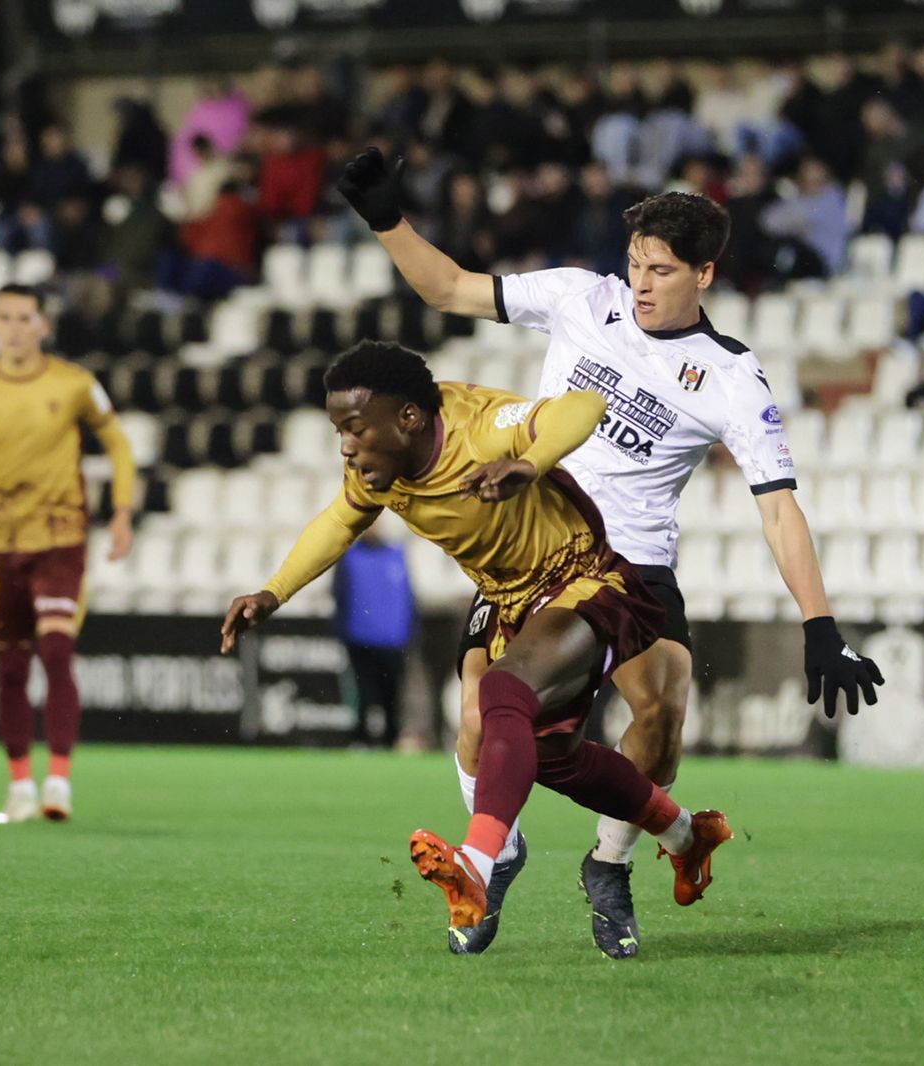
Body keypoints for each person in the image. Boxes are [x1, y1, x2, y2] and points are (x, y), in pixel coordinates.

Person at [336, 146, 883, 957]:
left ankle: (608, 863)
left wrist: (819, 624)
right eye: (634, 264)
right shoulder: (579, 298)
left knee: (661, 715)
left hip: (632, 561)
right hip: (535, 544)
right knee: (481, 717)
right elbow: (448, 287)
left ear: (705, 273)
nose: (641, 283)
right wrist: (387, 218)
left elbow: (778, 509)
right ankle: (502, 847)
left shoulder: (731, 376)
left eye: (661, 270)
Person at [220, 341, 733, 955]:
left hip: (584, 580)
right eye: (339, 430)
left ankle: (478, 867)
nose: (346, 446)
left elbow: (584, 407)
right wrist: (273, 593)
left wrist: (531, 462)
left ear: (408, 418)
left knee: (502, 694)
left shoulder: (481, 425)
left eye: (355, 428)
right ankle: (685, 837)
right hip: (511, 600)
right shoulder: (375, 471)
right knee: (556, 758)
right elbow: (339, 521)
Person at [0, 285, 136, 823]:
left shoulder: (75, 383)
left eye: (25, 318)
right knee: (10, 665)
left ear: (43, 325)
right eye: (5, 318)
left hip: (60, 539)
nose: (15, 328)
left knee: (57, 650)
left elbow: (120, 447)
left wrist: (124, 512)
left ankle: (58, 781)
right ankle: (20, 786)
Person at [332, 528, 414, 749]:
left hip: (392, 640)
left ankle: (390, 740)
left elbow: (408, 596)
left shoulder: (396, 554)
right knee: (363, 693)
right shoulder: (349, 557)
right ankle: (361, 738)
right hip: (360, 639)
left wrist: (408, 632)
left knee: (392, 695)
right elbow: (339, 595)